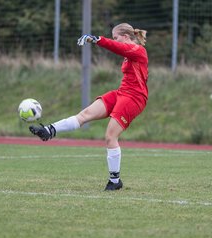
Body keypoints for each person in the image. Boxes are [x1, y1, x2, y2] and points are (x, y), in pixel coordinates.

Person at [29, 23, 148, 191]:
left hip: (134, 97)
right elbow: (119, 48)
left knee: (110, 136)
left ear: (126, 37)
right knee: (84, 115)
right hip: (121, 93)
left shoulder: (138, 50)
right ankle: (49, 130)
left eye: (116, 37)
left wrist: (98, 39)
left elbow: (117, 48)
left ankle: (115, 181)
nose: (115, 40)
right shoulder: (129, 52)